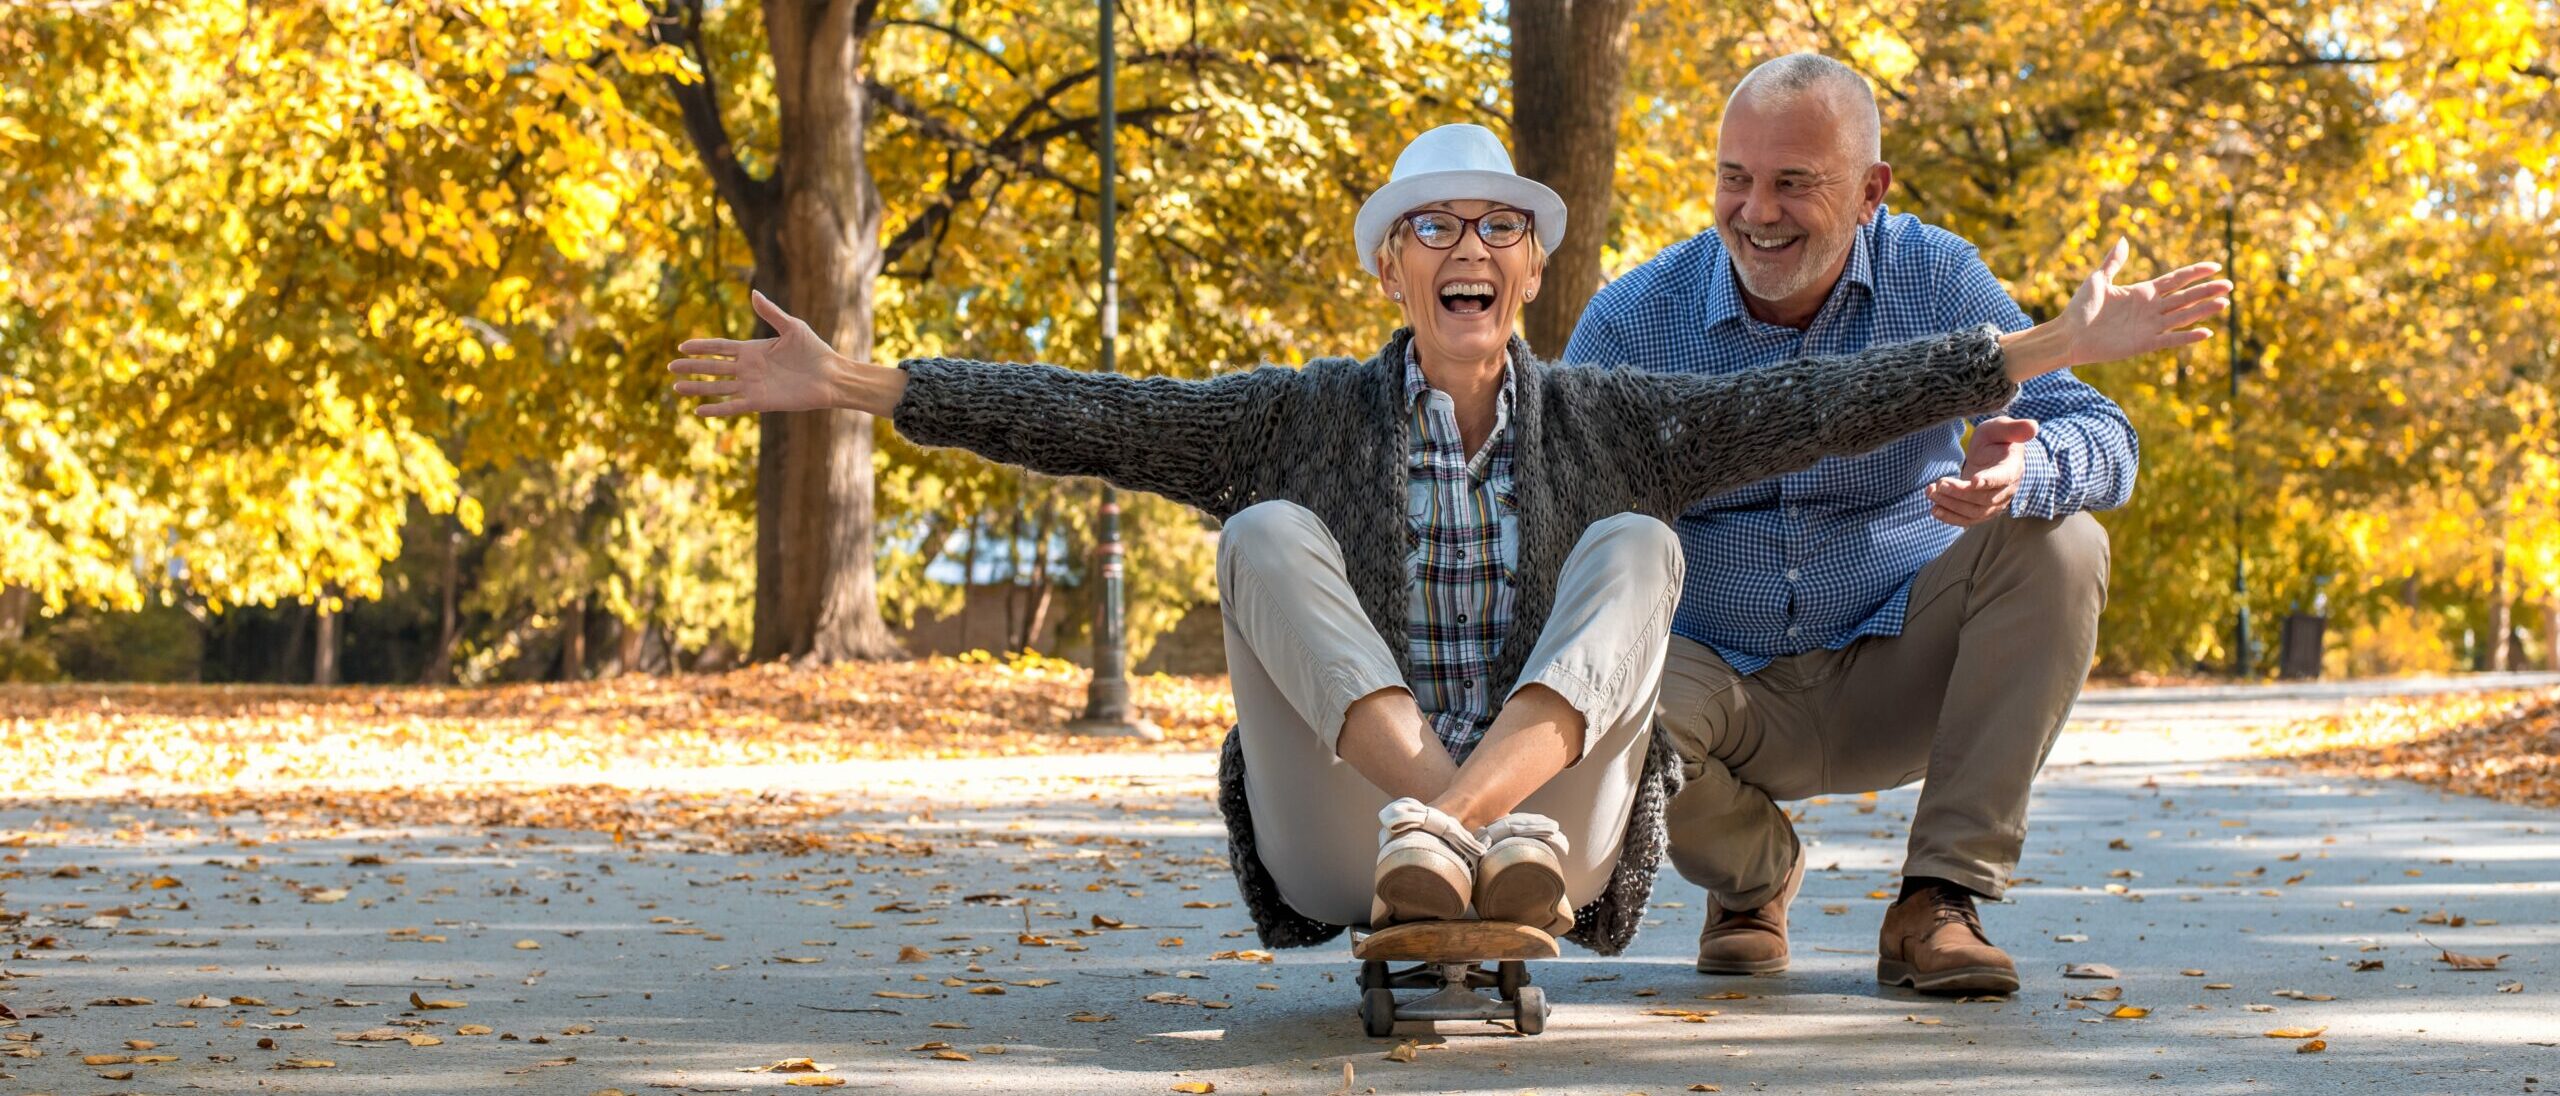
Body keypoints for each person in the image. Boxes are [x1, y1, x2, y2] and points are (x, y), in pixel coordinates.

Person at [669, 123, 2227, 955]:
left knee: (1635, 546)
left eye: (1497, 229)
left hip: (1561, 841)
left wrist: (2031, 348)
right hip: (1351, 831)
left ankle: (1482, 825)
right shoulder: (1299, 417)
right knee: (1267, 531)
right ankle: (1441, 819)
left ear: (1534, 272)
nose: (1465, 249)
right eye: (1432, 229)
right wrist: (858, 383)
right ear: (1390, 274)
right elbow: (1089, 413)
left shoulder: (1620, 416)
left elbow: (1839, 398)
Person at [1564, 54, 2145, 993]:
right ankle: (1755, 877)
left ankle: (1938, 900)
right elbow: (1562, 526)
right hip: (1715, 679)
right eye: (1735, 178)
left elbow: (2106, 438)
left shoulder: (1936, 275)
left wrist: (2021, 470)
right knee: (1579, 693)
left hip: (1898, 662)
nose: (1756, 211)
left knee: (2065, 539)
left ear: (1872, 190)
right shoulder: (1635, 318)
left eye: (1794, 183)